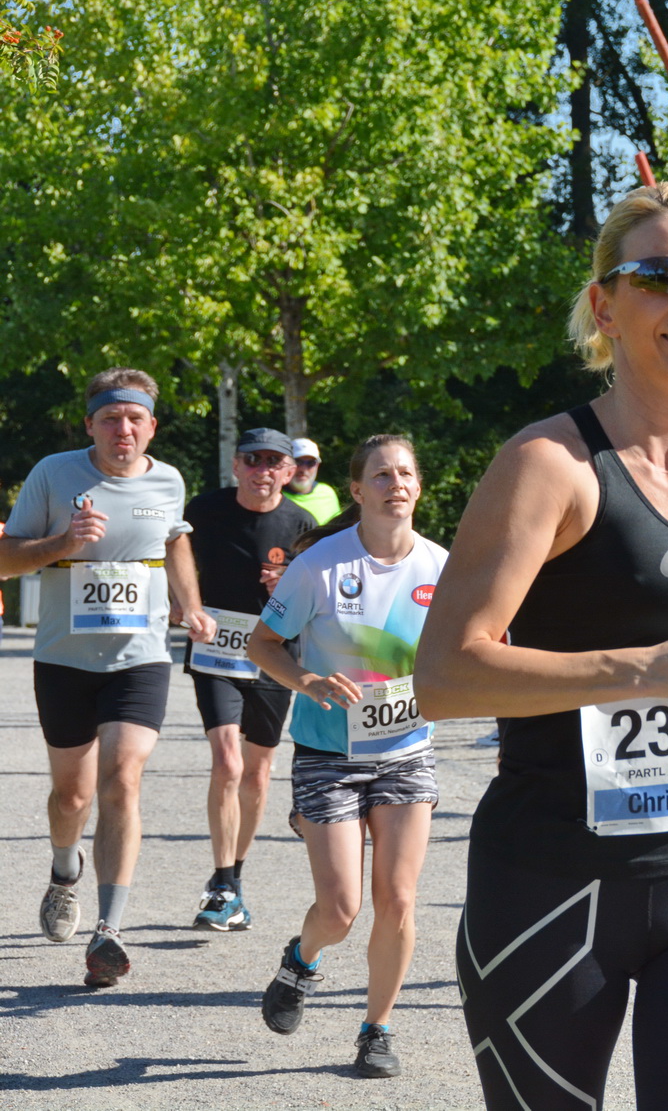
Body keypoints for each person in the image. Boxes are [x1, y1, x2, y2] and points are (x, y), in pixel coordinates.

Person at [415, 181, 668, 1111]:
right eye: (659, 276)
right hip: (554, 882)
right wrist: (652, 671)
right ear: (605, 305)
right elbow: (443, 674)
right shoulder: (549, 467)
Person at [0, 368, 217, 987]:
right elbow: (6, 559)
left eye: (135, 419)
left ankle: (109, 930)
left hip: (139, 657)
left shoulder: (169, 480)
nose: (123, 429)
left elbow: (175, 542)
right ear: (90, 423)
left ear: (152, 425)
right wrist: (62, 542)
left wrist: (191, 604)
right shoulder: (54, 473)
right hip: (65, 661)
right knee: (72, 796)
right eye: (110, 419)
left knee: (122, 777)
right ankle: (64, 870)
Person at [247, 435, 447, 1080]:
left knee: (397, 899)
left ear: (418, 486)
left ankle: (376, 1029)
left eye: (407, 473)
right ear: (357, 490)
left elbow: (469, 650)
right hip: (329, 751)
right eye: (382, 474)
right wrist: (306, 681)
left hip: (407, 752)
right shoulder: (320, 565)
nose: (397, 483)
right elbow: (263, 643)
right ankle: (301, 960)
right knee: (340, 908)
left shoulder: (444, 568)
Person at [182, 426, 315, 931]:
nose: (262, 470)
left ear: (289, 471)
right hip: (215, 651)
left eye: (273, 462)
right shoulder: (204, 510)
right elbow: (176, 566)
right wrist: (184, 605)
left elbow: (317, 602)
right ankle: (220, 880)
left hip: (273, 655)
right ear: (236, 466)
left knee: (258, 774)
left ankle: (234, 877)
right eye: (252, 460)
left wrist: (292, 585)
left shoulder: (302, 523)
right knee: (227, 760)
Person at [285, 438, 344, 525]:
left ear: (317, 465)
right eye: (298, 462)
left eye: (311, 463)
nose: (303, 469)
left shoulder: (327, 493)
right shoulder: (275, 496)